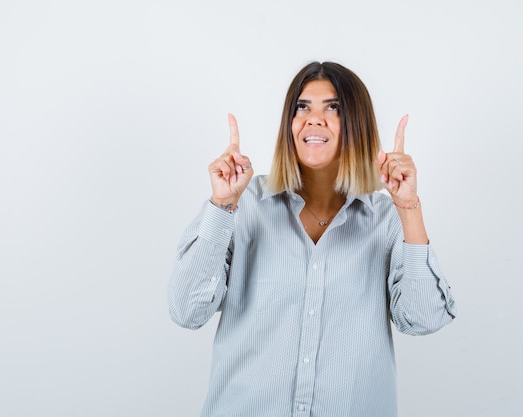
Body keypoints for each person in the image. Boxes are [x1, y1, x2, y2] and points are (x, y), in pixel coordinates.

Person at [167, 61, 456, 417]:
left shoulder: (387, 219)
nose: (313, 119)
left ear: (357, 126)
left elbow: (425, 317)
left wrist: (409, 206)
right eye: (302, 107)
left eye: (332, 108)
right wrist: (222, 204)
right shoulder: (244, 205)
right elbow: (186, 311)